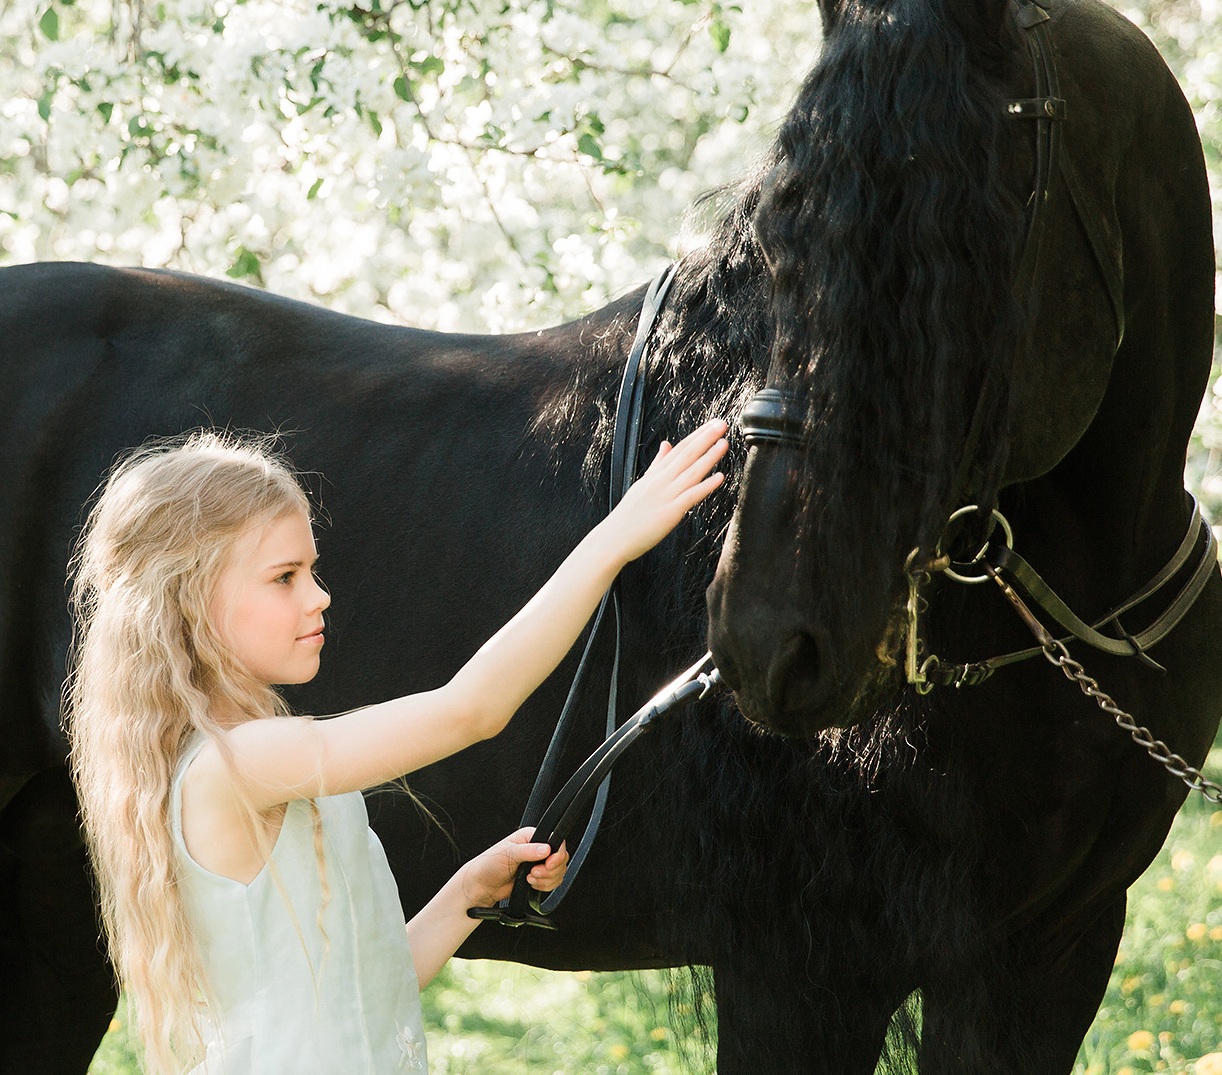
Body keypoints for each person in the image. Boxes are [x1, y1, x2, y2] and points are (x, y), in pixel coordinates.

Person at [66, 418, 730, 1074]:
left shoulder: (253, 762)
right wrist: (613, 540)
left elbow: (371, 991)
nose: (319, 596)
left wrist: (469, 888)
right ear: (190, 598)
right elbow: (471, 710)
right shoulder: (236, 766)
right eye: (284, 577)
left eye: (312, 570)